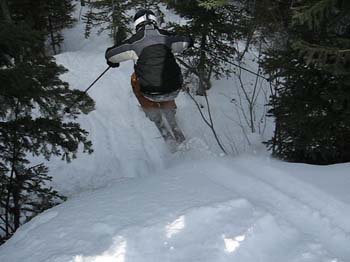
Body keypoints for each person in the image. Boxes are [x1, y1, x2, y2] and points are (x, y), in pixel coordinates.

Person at [105, 9, 193, 144]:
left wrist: (111, 61)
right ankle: (173, 122)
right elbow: (187, 41)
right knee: (166, 78)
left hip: (150, 92)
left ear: (136, 24)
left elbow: (111, 55)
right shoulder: (167, 37)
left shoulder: (134, 43)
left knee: (135, 79)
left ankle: (157, 119)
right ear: (154, 21)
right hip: (174, 89)